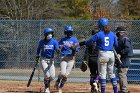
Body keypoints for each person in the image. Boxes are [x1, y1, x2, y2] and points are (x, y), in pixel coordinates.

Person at [80, 17, 118, 93]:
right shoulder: (112, 34)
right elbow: (116, 45)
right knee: (112, 74)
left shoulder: (99, 34)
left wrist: (80, 43)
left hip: (103, 54)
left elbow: (89, 42)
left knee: (102, 74)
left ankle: (102, 91)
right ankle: (116, 91)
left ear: (100, 25)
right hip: (111, 54)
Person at [54, 25, 79, 93]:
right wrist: (60, 46)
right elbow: (58, 46)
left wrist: (71, 46)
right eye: (67, 32)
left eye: (70, 32)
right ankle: (58, 80)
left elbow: (76, 49)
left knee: (65, 76)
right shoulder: (62, 39)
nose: (69, 33)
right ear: (65, 32)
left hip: (71, 58)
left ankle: (60, 87)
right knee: (62, 73)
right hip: (64, 57)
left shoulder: (74, 40)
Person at [36, 28, 59, 93]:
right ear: (45, 35)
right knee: (47, 75)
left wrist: (58, 51)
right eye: (48, 34)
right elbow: (38, 49)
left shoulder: (54, 41)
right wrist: (37, 56)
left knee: (52, 77)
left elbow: (57, 49)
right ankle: (46, 88)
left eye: (51, 33)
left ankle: (46, 82)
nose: (50, 35)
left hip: (51, 60)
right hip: (43, 60)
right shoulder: (42, 42)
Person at [115, 26, 133, 93]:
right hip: (123, 58)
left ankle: (124, 90)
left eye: (117, 32)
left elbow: (127, 48)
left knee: (122, 74)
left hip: (125, 58)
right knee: (121, 73)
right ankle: (123, 89)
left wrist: (120, 53)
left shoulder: (124, 38)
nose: (116, 33)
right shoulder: (121, 38)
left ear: (120, 32)